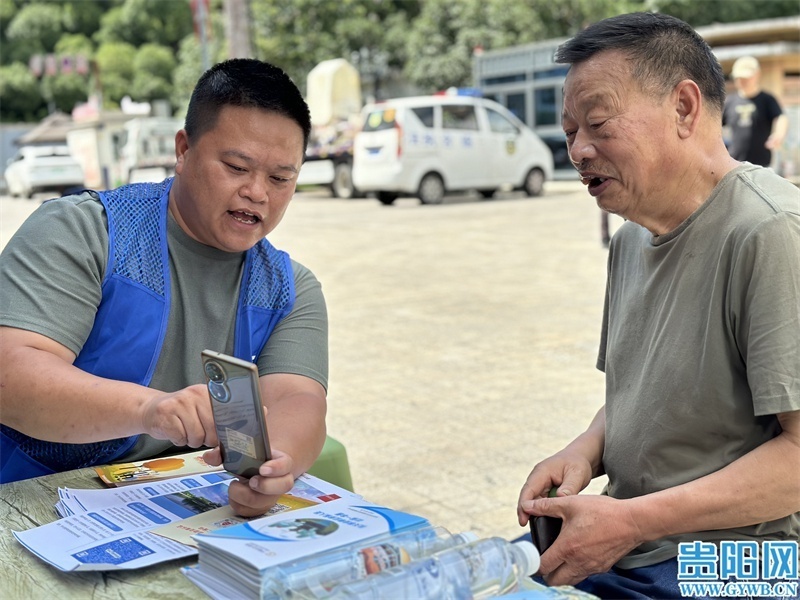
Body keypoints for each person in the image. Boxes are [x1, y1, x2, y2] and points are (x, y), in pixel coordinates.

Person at [517, 12, 800, 599]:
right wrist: (584, 451)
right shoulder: (629, 239)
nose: (579, 150)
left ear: (684, 108)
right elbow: (642, 395)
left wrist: (630, 522)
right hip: (636, 535)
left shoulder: (771, 232)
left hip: (754, 561)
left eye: (597, 122)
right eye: (570, 132)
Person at [0, 59, 329, 518]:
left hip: (172, 506)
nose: (258, 192)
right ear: (183, 149)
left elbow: (298, 397)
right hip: (25, 502)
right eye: (237, 167)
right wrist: (151, 409)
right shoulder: (85, 232)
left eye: (280, 178)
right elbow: (11, 373)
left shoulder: (289, 289)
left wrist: (278, 465)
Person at [723, 55, 788, 167]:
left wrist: (779, 134)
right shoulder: (729, 102)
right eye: (739, 77)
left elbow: (781, 117)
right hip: (734, 164)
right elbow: (714, 124)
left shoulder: (767, 100)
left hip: (762, 165)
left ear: (757, 75)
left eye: (746, 77)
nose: (743, 81)